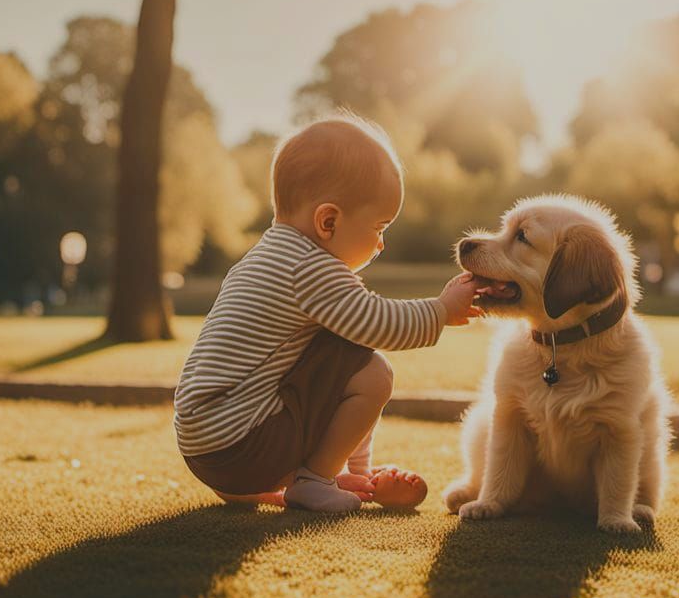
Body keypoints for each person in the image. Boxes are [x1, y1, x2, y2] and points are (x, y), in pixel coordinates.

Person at [174, 112, 482, 512]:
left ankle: (334, 476)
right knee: (374, 372)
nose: (381, 245)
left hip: (203, 447)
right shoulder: (310, 266)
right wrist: (440, 310)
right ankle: (315, 479)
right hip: (244, 443)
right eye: (379, 228)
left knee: (342, 350)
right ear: (328, 221)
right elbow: (379, 325)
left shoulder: (264, 258)